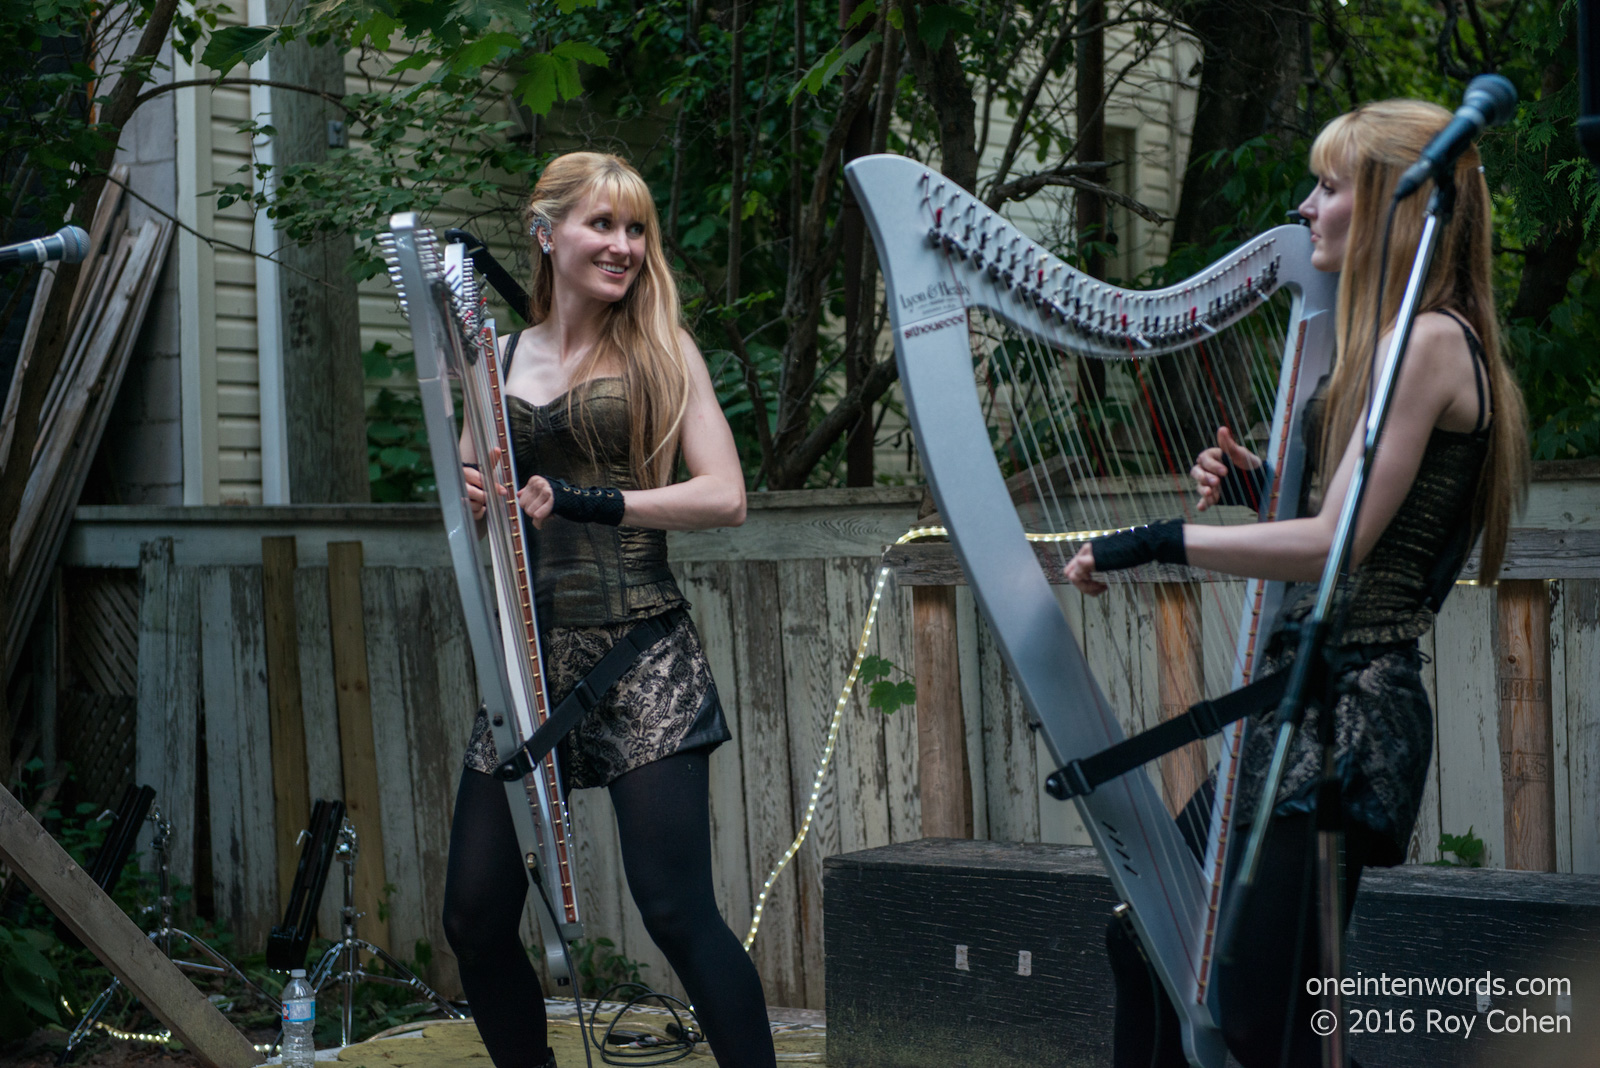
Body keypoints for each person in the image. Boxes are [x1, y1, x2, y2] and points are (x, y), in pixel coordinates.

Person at [1063, 99, 1530, 1067]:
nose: (1306, 208)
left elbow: (1334, 546)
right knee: (1144, 942)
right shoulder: (1390, 348)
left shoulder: (1433, 342)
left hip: (1346, 722)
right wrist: (1248, 486)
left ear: (1395, 209)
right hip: (1299, 709)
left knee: (1264, 1025)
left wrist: (1148, 540)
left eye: (1328, 188)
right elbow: (1351, 510)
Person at [444, 152, 777, 1068]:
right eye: (603, 225)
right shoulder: (493, 358)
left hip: (642, 656)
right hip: (529, 661)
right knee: (472, 917)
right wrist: (477, 496)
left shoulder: (660, 350)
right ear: (545, 232)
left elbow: (726, 496)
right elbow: (479, 491)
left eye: (636, 230)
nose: (624, 246)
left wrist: (597, 502)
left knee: (673, 908)